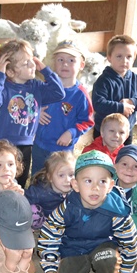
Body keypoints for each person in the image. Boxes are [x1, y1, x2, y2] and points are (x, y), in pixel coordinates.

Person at [38, 150, 137, 273]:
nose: (95, 187)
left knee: (108, 260)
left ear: (110, 186)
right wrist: (50, 266)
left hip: (103, 245)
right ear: (75, 185)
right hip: (73, 247)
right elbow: (50, 234)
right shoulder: (68, 207)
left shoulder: (117, 211)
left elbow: (131, 245)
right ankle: (78, 266)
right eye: (88, 181)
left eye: (102, 181)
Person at [0, 38, 65, 187]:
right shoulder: (4, 88)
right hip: (2, 144)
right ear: (10, 71)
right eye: (26, 63)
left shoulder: (36, 87)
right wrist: (0, 75)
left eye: (32, 60)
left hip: (26, 144)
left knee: (20, 180)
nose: (32, 65)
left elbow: (59, 93)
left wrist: (45, 70)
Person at [32, 40, 94, 175]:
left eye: (71, 60)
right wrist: (36, 112)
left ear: (81, 65)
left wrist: (71, 133)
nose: (65, 64)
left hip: (62, 149)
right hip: (40, 144)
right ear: (54, 62)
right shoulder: (44, 86)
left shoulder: (80, 94)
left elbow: (87, 121)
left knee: (60, 178)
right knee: (37, 177)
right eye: (60, 59)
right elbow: (31, 103)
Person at [92, 34, 137, 145]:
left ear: (134, 58)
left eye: (129, 57)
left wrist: (132, 101)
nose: (124, 61)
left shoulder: (135, 79)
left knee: (125, 154)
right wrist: (121, 108)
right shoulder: (103, 81)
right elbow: (98, 103)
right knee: (103, 155)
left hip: (126, 130)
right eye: (119, 56)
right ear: (109, 57)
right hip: (105, 132)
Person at [25, 151, 76, 230]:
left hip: (60, 220)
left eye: (71, 175)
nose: (67, 180)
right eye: (61, 175)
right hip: (44, 218)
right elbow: (23, 200)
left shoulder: (75, 190)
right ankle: (35, 226)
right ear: (50, 177)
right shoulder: (40, 191)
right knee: (32, 210)